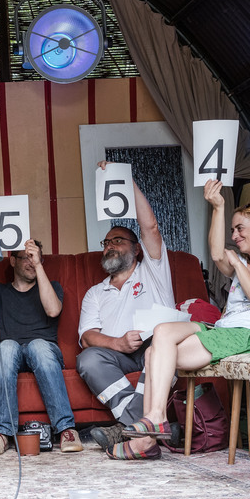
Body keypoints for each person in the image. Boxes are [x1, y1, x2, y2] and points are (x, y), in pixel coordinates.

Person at [106, 178, 250, 460]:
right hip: (223, 330)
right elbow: (216, 253)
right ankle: (156, 421)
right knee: (160, 336)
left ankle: (146, 440)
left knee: (155, 355)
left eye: (240, 228)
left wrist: (237, 264)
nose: (235, 236)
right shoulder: (243, 264)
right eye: (232, 230)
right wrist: (218, 207)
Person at [75, 171, 174, 447]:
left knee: (161, 351)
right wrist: (118, 343)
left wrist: (125, 179)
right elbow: (87, 337)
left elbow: (150, 227)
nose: (110, 246)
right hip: (118, 355)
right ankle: (146, 427)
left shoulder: (153, 271)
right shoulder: (95, 292)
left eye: (117, 241)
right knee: (88, 359)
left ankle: (126, 428)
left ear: (137, 249)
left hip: (155, 346)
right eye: (106, 242)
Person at [0, 218, 81, 455]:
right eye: (25, 257)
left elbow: (53, 310)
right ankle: (2, 431)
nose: (31, 262)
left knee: (38, 346)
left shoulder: (51, 286)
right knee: (7, 347)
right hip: (9, 353)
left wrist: (39, 265)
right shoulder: (0, 290)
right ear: (12, 260)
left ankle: (66, 428)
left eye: (35, 257)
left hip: (43, 352)